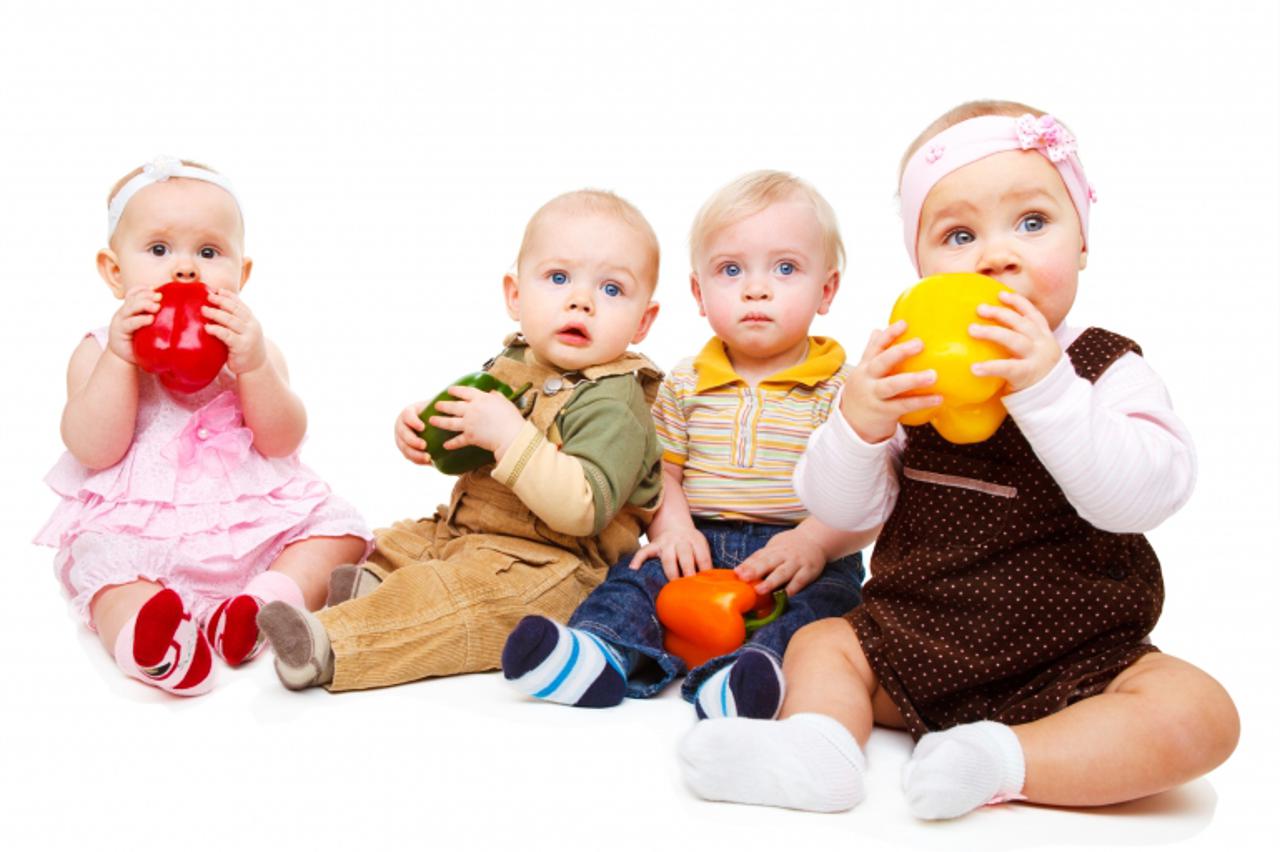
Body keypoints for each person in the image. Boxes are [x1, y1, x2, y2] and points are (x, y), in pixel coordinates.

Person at [678, 101, 1239, 818]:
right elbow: (844, 509)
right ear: (923, 266)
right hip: (913, 645)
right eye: (959, 234)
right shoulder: (911, 369)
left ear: (1083, 245)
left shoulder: (1104, 368)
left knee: (1200, 713)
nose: (997, 254)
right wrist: (859, 423)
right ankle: (818, 751)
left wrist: (1047, 389)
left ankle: (1005, 760)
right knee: (823, 642)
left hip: (1076, 660)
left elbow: (1139, 497)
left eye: (1033, 223)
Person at [256, 189, 665, 692]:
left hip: (551, 565)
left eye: (611, 289)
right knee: (392, 540)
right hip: (464, 531)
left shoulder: (615, 401)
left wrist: (510, 435)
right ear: (515, 295)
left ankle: (333, 644)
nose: (581, 299)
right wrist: (423, 434)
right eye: (558, 278)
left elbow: (583, 508)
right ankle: (370, 586)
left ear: (643, 320)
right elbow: (467, 440)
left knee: (462, 600)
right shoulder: (515, 360)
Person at [501, 171, 870, 720]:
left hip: (803, 551)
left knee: (826, 613)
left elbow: (869, 490)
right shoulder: (684, 382)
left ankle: (747, 676)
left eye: (786, 268)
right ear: (699, 293)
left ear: (828, 289)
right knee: (632, 580)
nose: (756, 288)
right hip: (700, 540)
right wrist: (673, 529)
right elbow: (662, 473)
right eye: (730, 270)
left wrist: (816, 543)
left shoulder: (846, 388)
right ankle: (597, 652)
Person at [36, 156, 372, 696]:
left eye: (209, 252)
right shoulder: (98, 351)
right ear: (114, 271)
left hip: (252, 525)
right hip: (142, 538)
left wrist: (255, 367)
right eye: (159, 250)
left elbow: (282, 440)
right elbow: (93, 449)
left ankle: (259, 606)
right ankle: (155, 646)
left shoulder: (251, 350)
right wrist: (122, 360)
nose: (186, 270)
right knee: (103, 570)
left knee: (339, 531)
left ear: (241, 275)